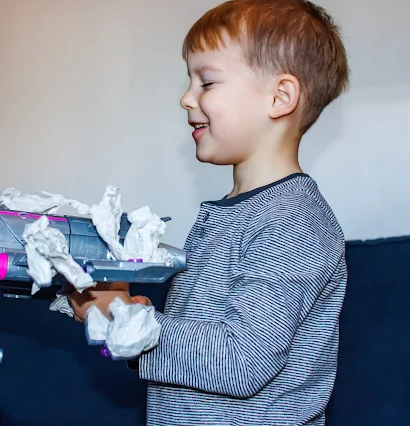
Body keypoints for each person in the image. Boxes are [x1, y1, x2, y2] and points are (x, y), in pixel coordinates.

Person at [67, 0, 350, 424]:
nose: (186, 98)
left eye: (207, 83)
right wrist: (132, 321)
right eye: (189, 82)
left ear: (280, 97)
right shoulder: (235, 214)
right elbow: (206, 345)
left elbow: (240, 362)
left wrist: (126, 319)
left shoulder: (295, 223)